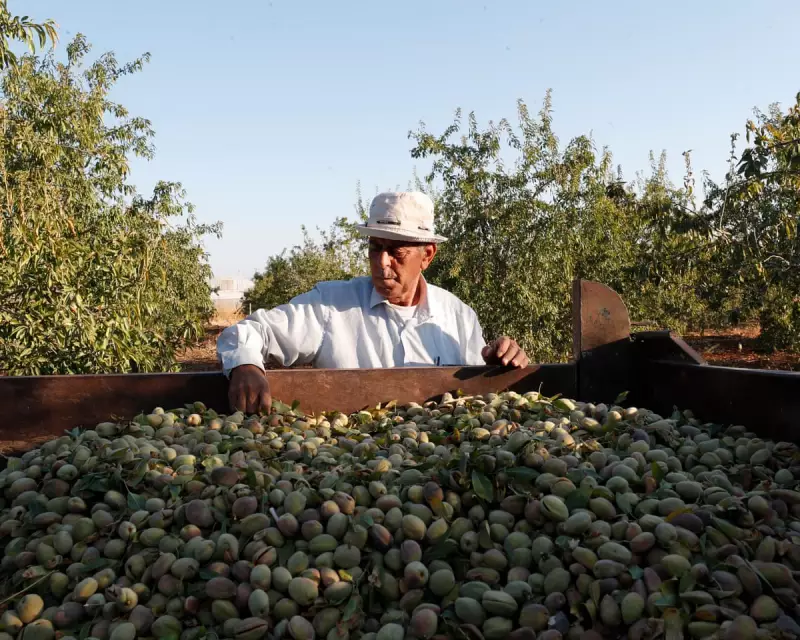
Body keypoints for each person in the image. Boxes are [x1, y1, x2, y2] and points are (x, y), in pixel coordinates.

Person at [217, 191, 530, 413]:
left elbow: (475, 399)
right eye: (375, 247)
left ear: (427, 255)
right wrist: (245, 365)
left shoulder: (457, 316)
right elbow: (247, 332)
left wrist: (500, 362)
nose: (381, 262)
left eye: (396, 251)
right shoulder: (331, 306)